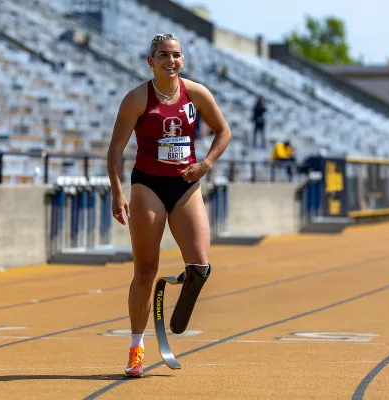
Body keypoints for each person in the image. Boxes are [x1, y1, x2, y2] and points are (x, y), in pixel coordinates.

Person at [106, 33, 231, 378]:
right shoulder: (136, 99)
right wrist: (118, 192)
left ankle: (176, 296)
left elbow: (224, 132)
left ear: (183, 60)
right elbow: (115, 149)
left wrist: (205, 164)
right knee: (145, 271)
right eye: (163, 55)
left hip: (186, 185)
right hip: (148, 185)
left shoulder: (197, 93)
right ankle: (135, 348)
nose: (170, 61)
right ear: (151, 61)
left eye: (176, 55)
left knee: (201, 266)